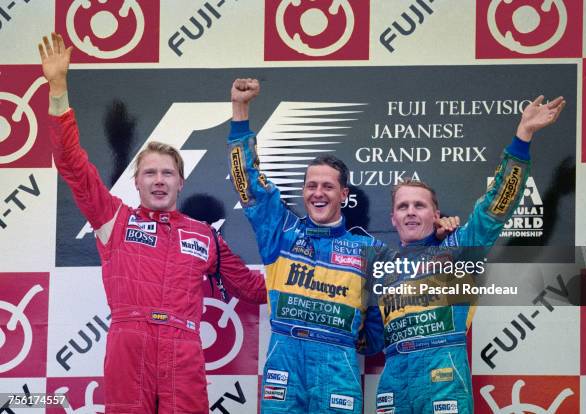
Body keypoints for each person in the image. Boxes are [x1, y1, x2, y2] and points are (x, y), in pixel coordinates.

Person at [39, 33, 267, 414]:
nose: (159, 180)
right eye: (150, 173)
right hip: (130, 347)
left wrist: (305, 278)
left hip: (184, 350)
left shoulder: (204, 235)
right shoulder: (113, 218)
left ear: (181, 180)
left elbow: (251, 288)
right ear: (136, 181)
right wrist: (58, 91)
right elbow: (73, 166)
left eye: (167, 173)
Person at [373, 96, 566, 414]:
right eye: (402, 207)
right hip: (392, 387)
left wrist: (522, 139)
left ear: (435, 214)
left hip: (444, 381)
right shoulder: (382, 269)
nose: (410, 212)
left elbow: (494, 209)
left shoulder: (458, 248)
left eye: (419, 205)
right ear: (392, 218)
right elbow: (369, 336)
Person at [227, 78, 383, 413]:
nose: (317, 192)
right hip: (284, 366)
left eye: (328, 186)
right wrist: (240, 111)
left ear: (344, 194)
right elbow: (249, 183)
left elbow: (382, 325)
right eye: (311, 185)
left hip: (338, 370)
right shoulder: (281, 233)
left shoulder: (367, 250)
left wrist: (441, 235)